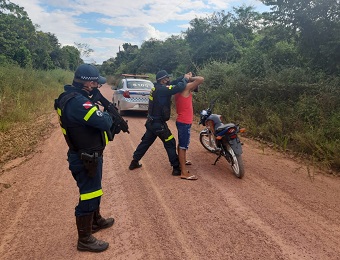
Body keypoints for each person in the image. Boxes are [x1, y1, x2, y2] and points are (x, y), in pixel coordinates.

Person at [54, 64, 115, 253]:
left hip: (89, 155)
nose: (97, 87)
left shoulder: (71, 98)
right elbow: (103, 121)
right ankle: (85, 239)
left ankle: (95, 220)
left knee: (94, 191)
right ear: (88, 83)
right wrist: (106, 113)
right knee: (89, 194)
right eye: (96, 83)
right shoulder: (77, 103)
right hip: (85, 157)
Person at [129, 70, 191, 175]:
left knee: (145, 142)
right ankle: (176, 168)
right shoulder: (162, 90)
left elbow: (173, 83)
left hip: (152, 123)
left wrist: (183, 77)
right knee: (170, 143)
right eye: (166, 78)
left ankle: (134, 162)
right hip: (158, 124)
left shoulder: (157, 88)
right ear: (162, 80)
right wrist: (185, 79)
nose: (168, 80)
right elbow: (178, 87)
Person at [175, 73, 204, 180]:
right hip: (184, 122)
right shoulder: (186, 88)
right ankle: (183, 172)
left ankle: (181, 161)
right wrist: (189, 77)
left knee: (181, 144)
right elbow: (201, 79)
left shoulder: (178, 90)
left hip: (181, 121)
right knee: (183, 146)